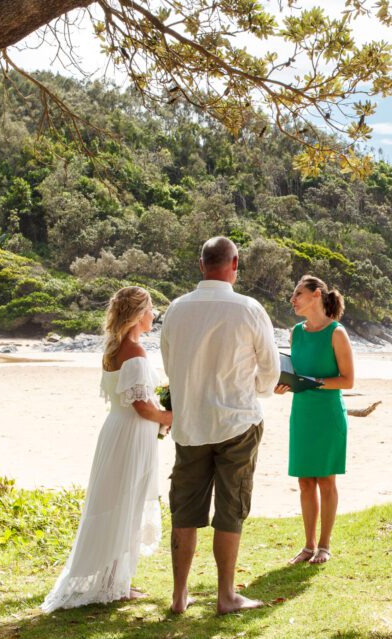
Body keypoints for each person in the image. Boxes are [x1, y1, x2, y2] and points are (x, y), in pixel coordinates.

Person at [161, 236, 281, 615]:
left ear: (201, 265)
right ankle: (226, 596)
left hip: (191, 424)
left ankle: (179, 596)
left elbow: (169, 363)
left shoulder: (177, 309)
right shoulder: (249, 308)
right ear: (235, 264)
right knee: (230, 509)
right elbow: (271, 369)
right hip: (237, 422)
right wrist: (257, 392)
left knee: (185, 510)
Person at [41, 286, 173, 613]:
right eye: (150, 308)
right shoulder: (135, 352)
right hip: (131, 433)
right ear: (137, 314)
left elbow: (131, 400)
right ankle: (115, 584)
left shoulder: (113, 349)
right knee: (126, 501)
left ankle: (116, 580)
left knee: (116, 501)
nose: (153, 314)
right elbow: (142, 406)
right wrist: (171, 416)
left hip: (116, 429)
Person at [275, 275, 355, 566]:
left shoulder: (336, 333)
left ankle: (324, 546)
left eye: (298, 293)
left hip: (327, 413)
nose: (293, 299)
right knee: (305, 481)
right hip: (302, 413)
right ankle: (308, 545)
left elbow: (348, 381)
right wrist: (284, 384)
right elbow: (294, 371)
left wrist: (314, 382)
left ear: (317, 295)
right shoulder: (296, 332)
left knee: (326, 480)